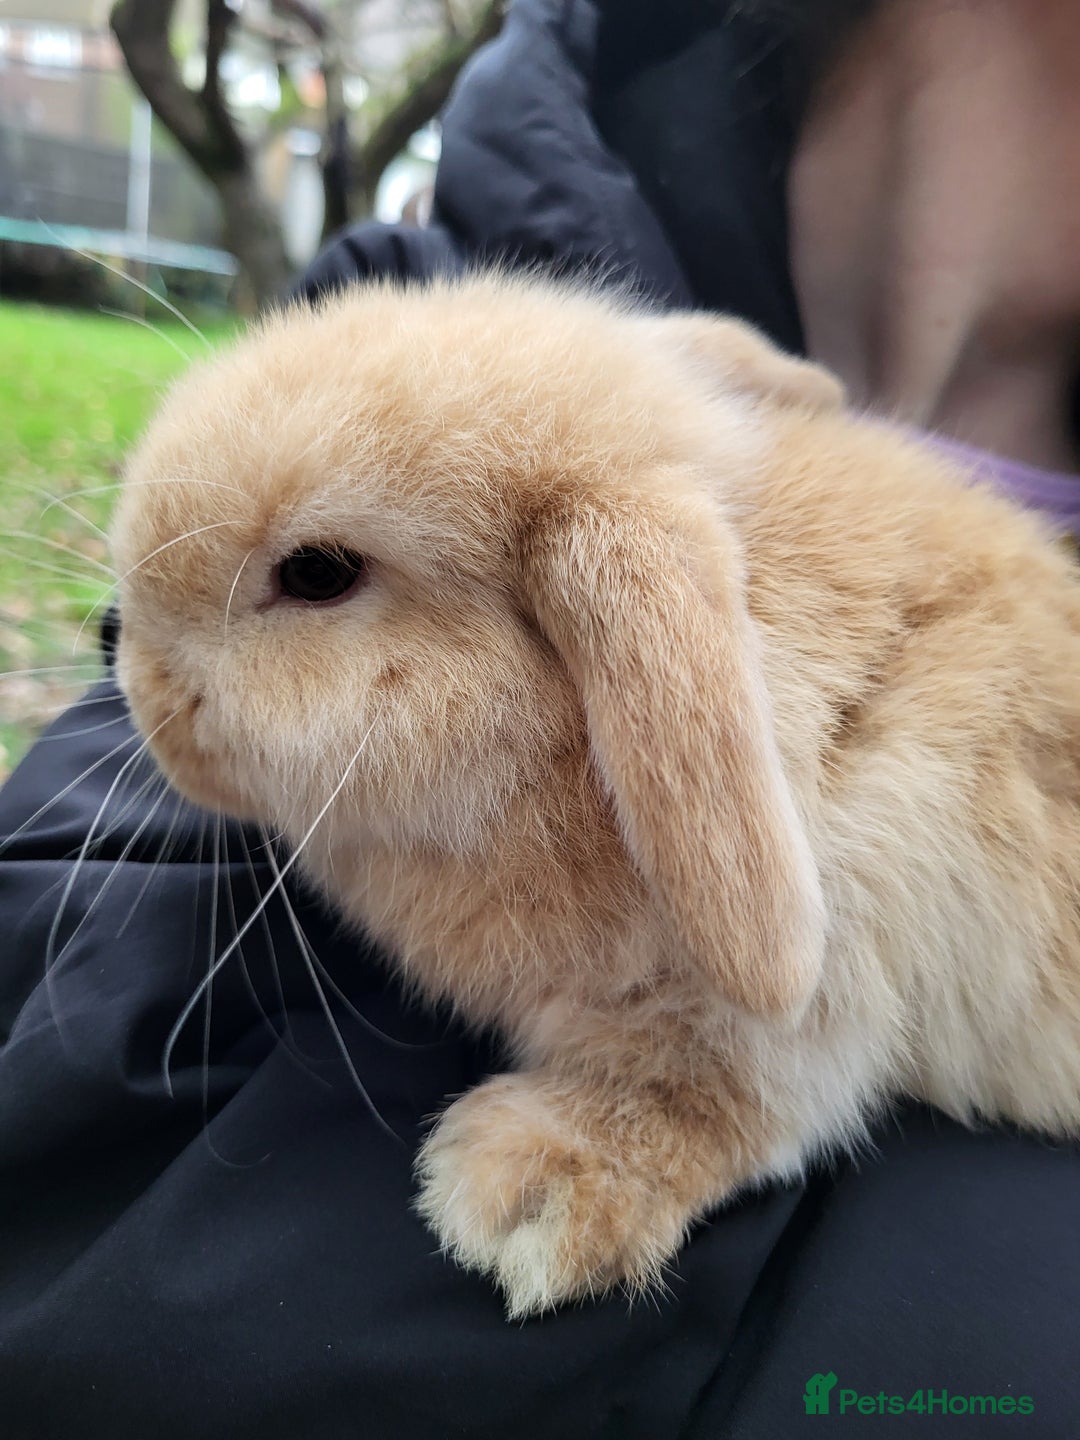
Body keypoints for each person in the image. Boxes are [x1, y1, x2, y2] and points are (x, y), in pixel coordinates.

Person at [2, 2, 1078, 1435]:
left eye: (318, 572)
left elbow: (786, 978)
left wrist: (689, 1098)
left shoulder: (667, 586)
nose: (146, 683)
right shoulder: (455, 286)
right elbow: (70, 1100)